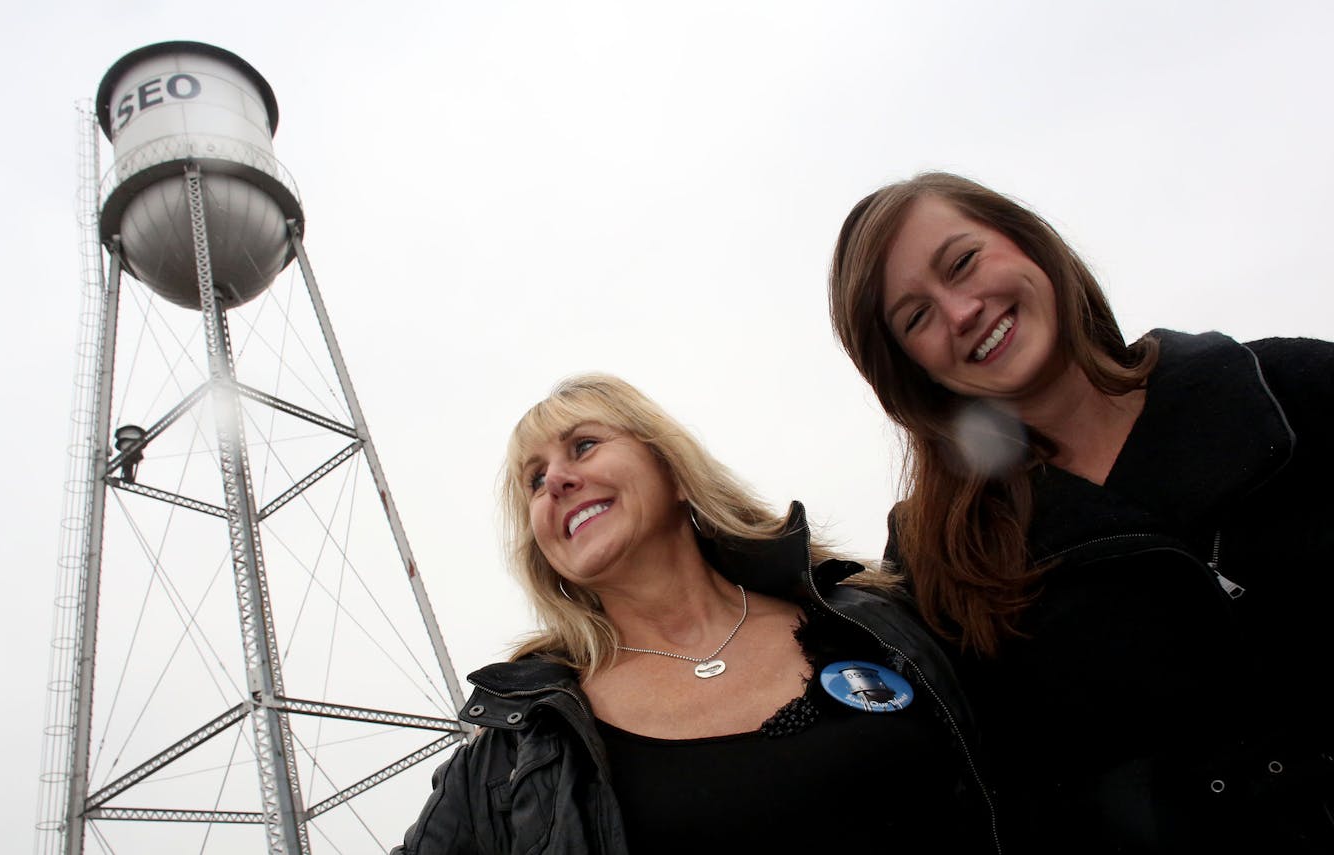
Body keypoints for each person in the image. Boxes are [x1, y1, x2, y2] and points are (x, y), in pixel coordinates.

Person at [827, 171, 1334, 854]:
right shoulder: (936, 569)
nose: (961, 311)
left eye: (964, 261)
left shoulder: (1292, 390)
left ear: (1027, 243)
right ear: (909, 370)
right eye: (916, 316)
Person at [394, 373, 999, 854]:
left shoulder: (872, 617)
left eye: (584, 445)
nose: (555, 480)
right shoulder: (520, 746)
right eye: (533, 481)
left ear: (673, 470)